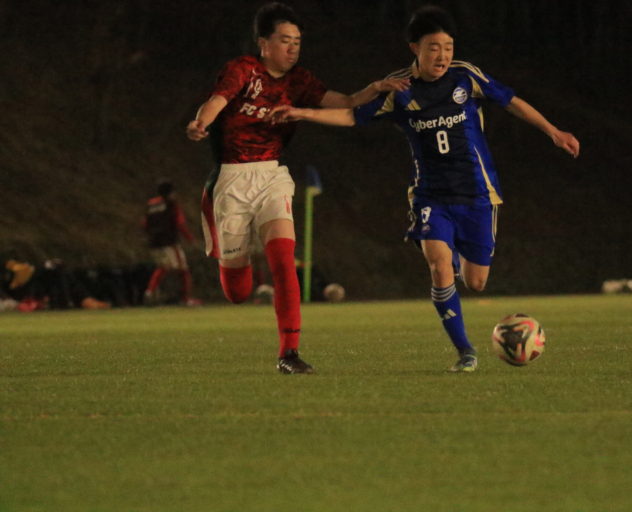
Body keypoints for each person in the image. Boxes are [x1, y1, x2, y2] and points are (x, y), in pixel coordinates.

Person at [269, 6, 579, 371]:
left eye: (448, 47)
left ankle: (456, 260)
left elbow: (511, 102)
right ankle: (465, 352)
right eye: (434, 47)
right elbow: (353, 115)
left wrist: (553, 131)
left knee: (476, 282)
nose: (443, 55)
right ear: (415, 48)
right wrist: (303, 113)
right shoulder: (399, 88)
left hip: (478, 193)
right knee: (439, 266)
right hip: (431, 195)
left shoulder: (465, 76)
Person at [185, 2, 409, 373]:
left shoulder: (299, 81)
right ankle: (233, 255)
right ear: (264, 43)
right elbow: (217, 101)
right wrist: (200, 123)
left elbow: (347, 103)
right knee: (237, 292)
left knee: (283, 261)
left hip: (272, 175)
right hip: (232, 180)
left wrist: (375, 88)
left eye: (297, 42)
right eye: (285, 40)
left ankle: (288, 354)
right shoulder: (244, 69)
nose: (292, 48)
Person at [142, 180, 200, 306]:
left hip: (154, 243)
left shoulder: (151, 205)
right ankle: (186, 299)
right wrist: (190, 239)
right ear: (170, 193)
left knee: (164, 267)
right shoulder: (171, 204)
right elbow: (180, 223)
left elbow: (145, 224)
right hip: (169, 242)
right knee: (183, 270)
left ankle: (150, 292)